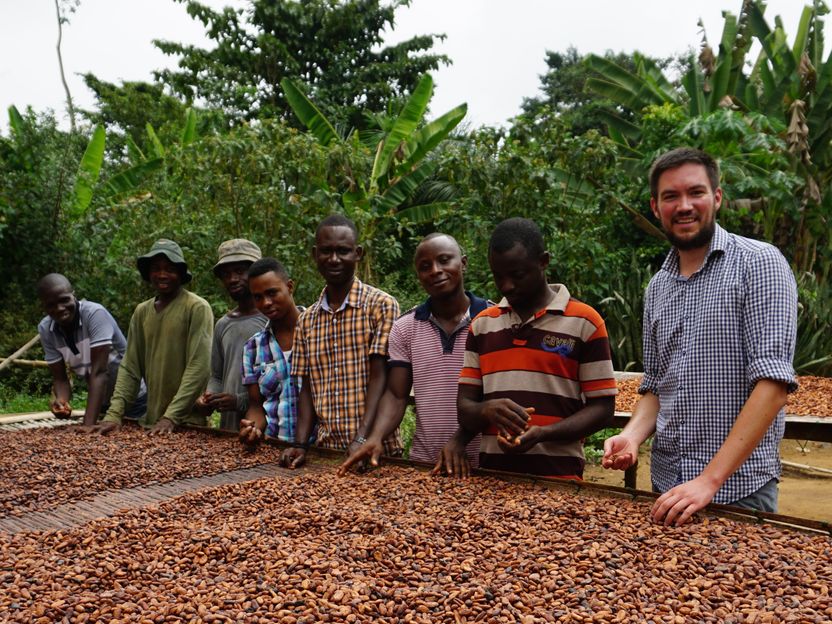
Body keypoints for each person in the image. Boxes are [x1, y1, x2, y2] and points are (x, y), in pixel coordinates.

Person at [602, 148, 798, 526]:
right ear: (655, 207)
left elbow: (773, 385)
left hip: (738, 492)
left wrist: (708, 480)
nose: (684, 205)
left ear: (718, 197)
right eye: (671, 196)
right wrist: (631, 436)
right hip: (668, 486)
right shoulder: (658, 286)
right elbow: (657, 385)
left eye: (696, 192)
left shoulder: (759, 263)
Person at [457, 217, 617, 479]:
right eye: (498, 276)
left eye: (518, 275)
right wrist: (487, 410)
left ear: (544, 261)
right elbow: (464, 407)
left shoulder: (585, 322)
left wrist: (545, 433)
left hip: (560, 479)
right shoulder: (482, 325)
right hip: (493, 481)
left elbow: (603, 409)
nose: (506, 286)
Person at [339, 233, 490, 477]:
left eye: (444, 260)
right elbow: (397, 395)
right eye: (425, 266)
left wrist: (461, 440)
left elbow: (497, 394)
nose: (436, 270)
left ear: (463, 263)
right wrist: (375, 437)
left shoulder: (493, 320)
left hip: (484, 465)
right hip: (424, 465)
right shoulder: (405, 327)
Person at [281, 214, 400, 468]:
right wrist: (300, 444)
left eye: (343, 251)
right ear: (315, 254)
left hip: (378, 452)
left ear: (357, 253)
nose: (334, 259)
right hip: (328, 451)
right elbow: (306, 389)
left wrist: (362, 437)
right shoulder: (307, 320)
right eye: (326, 251)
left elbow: (380, 376)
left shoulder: (381, 306)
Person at [95, 239, 213, 434]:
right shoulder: (142, 311)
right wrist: (114, 414)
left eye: (169, 269)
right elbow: (130, 367)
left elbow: (199, 367)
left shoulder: (196, 307)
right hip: (151, 421)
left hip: (187, 422)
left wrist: (171, 417)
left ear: (181, 274)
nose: (162, 275)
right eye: (156, 269)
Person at [36, 273, 145, 428]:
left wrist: (87, 425)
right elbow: (60, 379)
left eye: (64, 300)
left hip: (134, 399)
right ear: (43, 306)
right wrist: (62, 402)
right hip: (102, 402)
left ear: (74, 296)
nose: (59, 308)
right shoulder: (46, 329)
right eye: (51, 304)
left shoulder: (94, 314)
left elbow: (99, 372)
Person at [195, 239, 267, 430]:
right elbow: (217, 376)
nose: (233, 279)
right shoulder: (223, 324)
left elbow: (282, 383)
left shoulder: (272, 319)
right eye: (226, 274)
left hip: (266, 429)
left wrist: (239, 401)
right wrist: (209, 397)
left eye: (240, 272)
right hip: (229, 429)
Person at [238, 257, 304, 447]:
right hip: (275, 449)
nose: (266, 303)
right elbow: (256, 405)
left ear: (289, 287)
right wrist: (253, 427)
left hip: (320, 450)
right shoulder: (253, 348)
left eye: (272, 293)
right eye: (258, 297)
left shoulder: (319, 333)